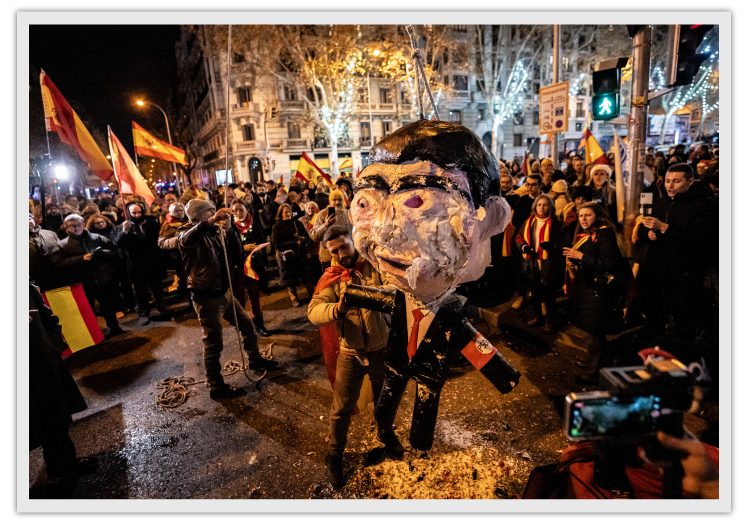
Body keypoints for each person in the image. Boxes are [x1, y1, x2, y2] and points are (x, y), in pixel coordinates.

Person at [307, 225, 389, 489]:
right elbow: (314, 311)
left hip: (382, 348)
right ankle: (335, 455)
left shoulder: (375, 262)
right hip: (350, 353)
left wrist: (382, 294)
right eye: (334, 250)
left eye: (344, 246)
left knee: (385, 400)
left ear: (353, 241)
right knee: (341, 410)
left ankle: (387, 436)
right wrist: (338, 308)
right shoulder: (333, 276)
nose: (341, 254)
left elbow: (399, 287)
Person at [178, 199, 280, 400]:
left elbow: (236, 254)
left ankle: (255, 359)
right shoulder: (187, 232)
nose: (216, 213)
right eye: (211, 211)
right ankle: (216, 386)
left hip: (224, 292)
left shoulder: (216, 232)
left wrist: (230, 229)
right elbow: (185, 240)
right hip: (206, 296)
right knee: (213, 343)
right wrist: (210, 222)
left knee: (247, 326)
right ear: (200, 216)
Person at [636, 164, 718, 341]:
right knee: (654, 326)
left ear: (690, 181)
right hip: (656, 276)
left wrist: (664, 227)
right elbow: (642, 230)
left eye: (676, 181)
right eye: (667, 181)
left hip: (683, 277)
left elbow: (700, 240)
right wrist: (648, 234)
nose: (670, 186)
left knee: (683, 328)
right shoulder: (659, 203)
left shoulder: (705, 206)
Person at [29, 281, 97, 479]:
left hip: (43, 358)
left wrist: (54, 344)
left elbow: (45, 312)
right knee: (38, 419)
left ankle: (63, 464)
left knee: (55, 415)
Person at [562, 202, 629, 383]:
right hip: (590, 289)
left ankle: (592, 374)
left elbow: (609, 264)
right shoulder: (591, 233)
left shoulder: (604, 233)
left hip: (599, 291)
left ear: (597, 216)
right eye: (581, 215)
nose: (583, 219)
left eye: (588, 215)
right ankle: (595, 364)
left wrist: (580, 256)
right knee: (593, 331)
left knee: (595, 333)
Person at [58, 214, 124, 337]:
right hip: (82, 281)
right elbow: (60, 263)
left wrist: (102, 254)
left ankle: (114, 327)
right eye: (72, 226)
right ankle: (94, 334)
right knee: (88, 310)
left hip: (101, 278)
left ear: (83, 224)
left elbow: (114, 252)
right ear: (66, 228)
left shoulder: (97, 237)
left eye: (78, 225)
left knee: (107, 306)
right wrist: (80, 258)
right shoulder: (63, 245)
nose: (76, 228)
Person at [515, 194, 565, 333]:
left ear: (550, 206)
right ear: (535, 206)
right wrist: (524, 247)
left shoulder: (557, 223)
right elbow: (519, 237)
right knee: (535, 292)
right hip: (531, 262)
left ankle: (550, 320)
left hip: (549, 263)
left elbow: (566, 242)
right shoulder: (529, 221)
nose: (542, 207)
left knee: (548, 293)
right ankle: (538, 316)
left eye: (545, 204)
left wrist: (554, 246)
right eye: (539, 204)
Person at [115, 202, 166, 325]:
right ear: (129, 213)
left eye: (139, 212)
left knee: (157, 289)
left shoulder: (152, 223)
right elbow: (118, 244)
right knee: (140, 291)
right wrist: (124, 232)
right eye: (134, 213)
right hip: (136, 264)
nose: (137, 215)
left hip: (152, 262)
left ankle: (162, 309)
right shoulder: (123, 227)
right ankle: (144, 314)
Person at [230, 199, 270, 336]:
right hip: (238, 268)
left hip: (253, 266)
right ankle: (243, 328)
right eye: (235, 210)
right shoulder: (229, 227)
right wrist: (243, 248)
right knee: (239, 298)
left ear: (247, 210)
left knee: (255, 296)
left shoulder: (255, 223)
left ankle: (259, 325)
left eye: (241, 209)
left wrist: (258, 249)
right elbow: (226, 249)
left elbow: (261, 240)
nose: (238, 213)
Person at [271, 203, 316, 307]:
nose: (288, 214)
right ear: (281, 214)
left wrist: (302, 240)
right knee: (290, 278)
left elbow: (306, 236)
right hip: (287, 257)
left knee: (307, 276)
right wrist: (293, 243)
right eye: (286, 212)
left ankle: (313, 295)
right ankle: (294, 298)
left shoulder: (297, 223)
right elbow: (276, 244)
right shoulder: (277, 227)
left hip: (300, 254)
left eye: (290, 211)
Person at [309, 189, 353, 270]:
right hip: (328, 258)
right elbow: (313, 235)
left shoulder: (349, 214)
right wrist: (325, 225)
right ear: (330, 202)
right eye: (334, 200)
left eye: (340, 199)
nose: (337, 202)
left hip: (347, 257)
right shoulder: (322, 214)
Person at [158, 202, 190, 299]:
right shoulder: (167, 225)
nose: (179, 213)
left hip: (189, 255)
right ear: (171, 212)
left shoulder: (188, 222)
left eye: (181, 210)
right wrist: (178, 240)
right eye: (176, 211)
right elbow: (162, 242)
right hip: (178, 257)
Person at [29, 213, 65, 293]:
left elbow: (60, 252)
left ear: (33, 220)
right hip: (34, 280)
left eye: (29, 219)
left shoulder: (49, 234)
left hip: (55, 276)